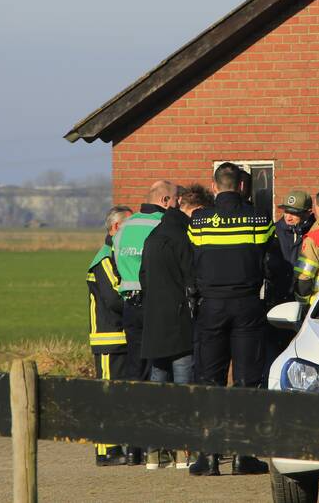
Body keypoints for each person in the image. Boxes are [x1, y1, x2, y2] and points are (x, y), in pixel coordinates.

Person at [187, 162, 273, 476]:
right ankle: (243, 456)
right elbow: (272, 263)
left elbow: (193, 262)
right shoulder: (259, 219)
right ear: (239, 186)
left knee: (210, 380)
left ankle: (209, 457)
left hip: (211, 307)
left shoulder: (198, 221)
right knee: (247, 380)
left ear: (214, 187)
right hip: (248, 305)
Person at [140, 184, 213, 470]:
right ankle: (185, 451)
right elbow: (192, 280)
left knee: (158, 388)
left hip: (154, 324)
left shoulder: (153, 237)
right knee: (184, 389)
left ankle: (155, 452)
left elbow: (144, 277)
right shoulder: (183, 237)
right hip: (180, 322)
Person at [112, 180, 178, 465]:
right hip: (156, 306)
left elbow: (116, 261)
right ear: (165, 200)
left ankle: (133, 447)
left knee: (135, 374)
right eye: (175, 200)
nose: (176, 205)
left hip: (130, 307)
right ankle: (162, 443)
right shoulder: (163, 225)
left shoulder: (126, 225)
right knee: (162, 372)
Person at [86, 205, 133, 466]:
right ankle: (105, 451)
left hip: (120, 337)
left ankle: (117, 445)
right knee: (107, 394)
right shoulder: (103, 259)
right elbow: (114, 298)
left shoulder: (115, 255)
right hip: (107, 338)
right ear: (115, 228)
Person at [262, 189, 315, 383]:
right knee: (273, 352)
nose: (289, 217)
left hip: (305, 302)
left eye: (295, 213)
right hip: (277, 300)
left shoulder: (314, 233)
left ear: (308, 213)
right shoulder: (274, 232)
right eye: (286, 211)